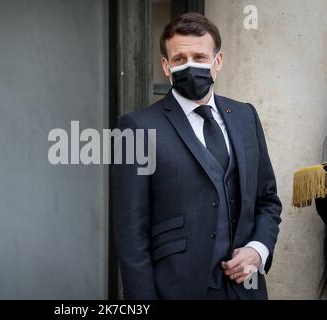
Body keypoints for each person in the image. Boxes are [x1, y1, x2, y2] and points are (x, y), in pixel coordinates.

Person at [112, 13, 282, 300]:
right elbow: (131, 235)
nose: (191, 66)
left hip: (245, 291)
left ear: (218, 62)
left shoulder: (245, 116)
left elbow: (267, 199)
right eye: (180, 59)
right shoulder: (137, 127)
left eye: (200, 57)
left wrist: (258, 250)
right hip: (177, 290)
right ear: (166, 67)